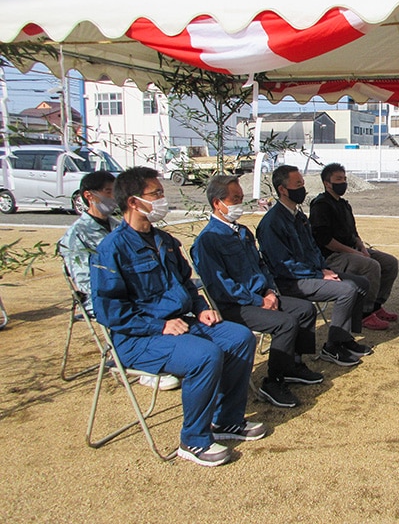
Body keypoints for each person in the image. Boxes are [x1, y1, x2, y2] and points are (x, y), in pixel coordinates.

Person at [91, 166, 265, 467]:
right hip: (138, 338)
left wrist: (201, 309)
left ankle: (226, 421)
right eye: (156, 194)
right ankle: (193, 440)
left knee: (240, 337)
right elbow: (110, 312)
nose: (163, 199)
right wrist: (159, 325)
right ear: (133, 202)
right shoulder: (112, 249)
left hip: (184, 323)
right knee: (205, 355)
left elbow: (187, 284)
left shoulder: (165, 242)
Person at [191, 175, 322, 410]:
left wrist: (270, 292)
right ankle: (273, 382)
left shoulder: (242, 232)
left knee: (304, 309)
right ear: (217, 203)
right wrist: (258, 300)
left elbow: (262, 266)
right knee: (285, 323)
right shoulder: (207, 241)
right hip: (236, 306)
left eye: (241, 198)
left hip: (262, 296)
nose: (239, 204)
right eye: (234, 199)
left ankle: (293, 365)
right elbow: (221, 286)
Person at [58, 170, 180, 391]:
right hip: (106, 297)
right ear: (89, 196)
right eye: (107, 192)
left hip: (140, 292)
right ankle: (149, 361)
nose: (113, 197)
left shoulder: (119, 225)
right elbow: (87, 283)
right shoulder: (76, 235)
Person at [256, 165, 373, 368]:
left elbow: (313, 248)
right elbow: (282, 265)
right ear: (282, 189)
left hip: (312, 273)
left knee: (360, 283)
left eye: (302, 183)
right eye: (298, 184)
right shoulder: (272, 223)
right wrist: (318, 274)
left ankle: (344, 338)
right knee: (347, 290)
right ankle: (333, 346)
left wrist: (323, 268)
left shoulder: (299, 217)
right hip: (291, 281)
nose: (303, 188)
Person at [309, 163, 399, 331]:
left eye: (344, 179)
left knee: (389, 262)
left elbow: (353, 233)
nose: (343, 182)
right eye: (338, 179)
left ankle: (376, 306)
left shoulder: (344, 204)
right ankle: (364, 314)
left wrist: (363, 249)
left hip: (352, 249)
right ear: (327, 183)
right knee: (371, 266)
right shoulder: (320, 206)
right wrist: (354, 252)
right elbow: (326, 240)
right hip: (332, 256)